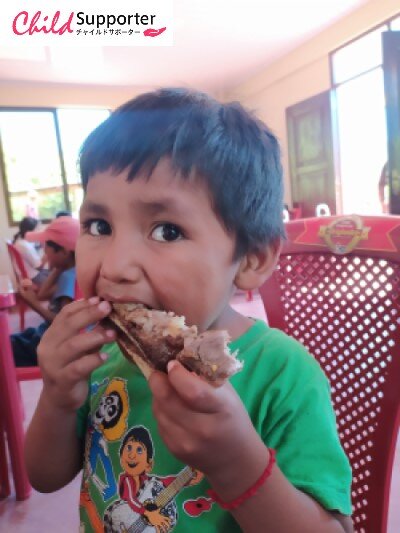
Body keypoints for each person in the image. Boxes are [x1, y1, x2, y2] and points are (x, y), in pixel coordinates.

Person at [25, 89, 353, 532]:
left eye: (166, 230)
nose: (115, 266)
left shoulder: (283, 374)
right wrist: (59, 398)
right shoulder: (98, 358)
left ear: (251, 259)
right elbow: (44, 478)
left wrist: (239, 465)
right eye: (99, 225)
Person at [11, 216, 79, 367]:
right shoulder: (67, 272)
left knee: (6, 348)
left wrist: (33, 304)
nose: (43, 250)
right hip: (45, 333)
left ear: (64, 252)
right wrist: (57, 268)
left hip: (51, 345)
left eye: (46, 245)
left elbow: (66, 325)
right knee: (11, 339)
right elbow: (43, 294)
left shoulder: (69, 278)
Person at [12, 216, 48, 286]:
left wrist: (41, 245)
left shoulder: (20, 241)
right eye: (37, 229)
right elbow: (39, 266)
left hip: (32, 273)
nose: (39, 231)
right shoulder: (24, 246)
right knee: (59, 279)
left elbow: (34, 247)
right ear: (30, 231)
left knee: (56, 274)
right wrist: (47, 252)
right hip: (34, 276)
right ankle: (46, 294)